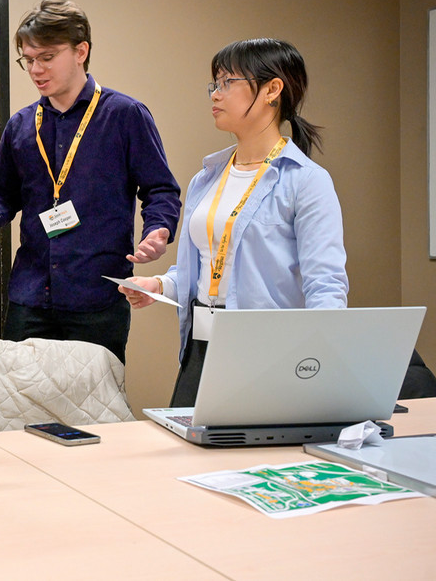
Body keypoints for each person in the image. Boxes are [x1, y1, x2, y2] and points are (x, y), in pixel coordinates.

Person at [119, 38, 348, 406]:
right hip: (200, 345)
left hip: (268, 354)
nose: (215, 94)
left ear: (273, 90)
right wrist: (159, 284)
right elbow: (205, 269)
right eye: (214, 84)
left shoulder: (305, 180)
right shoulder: (206, 177)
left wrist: (319, 368)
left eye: (228, 83)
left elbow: (327, 287)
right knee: (188, 457)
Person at [0, 0, 181, 362]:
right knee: (19, 405)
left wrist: (158, 229)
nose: (35, 69)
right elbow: (1, 194)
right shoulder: (21, 124)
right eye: (28, 60)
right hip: (29, 297)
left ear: (81, 51)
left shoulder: (125, 115)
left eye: (46, 57)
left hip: (96, 297)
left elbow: (160, 189)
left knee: (94, 410)